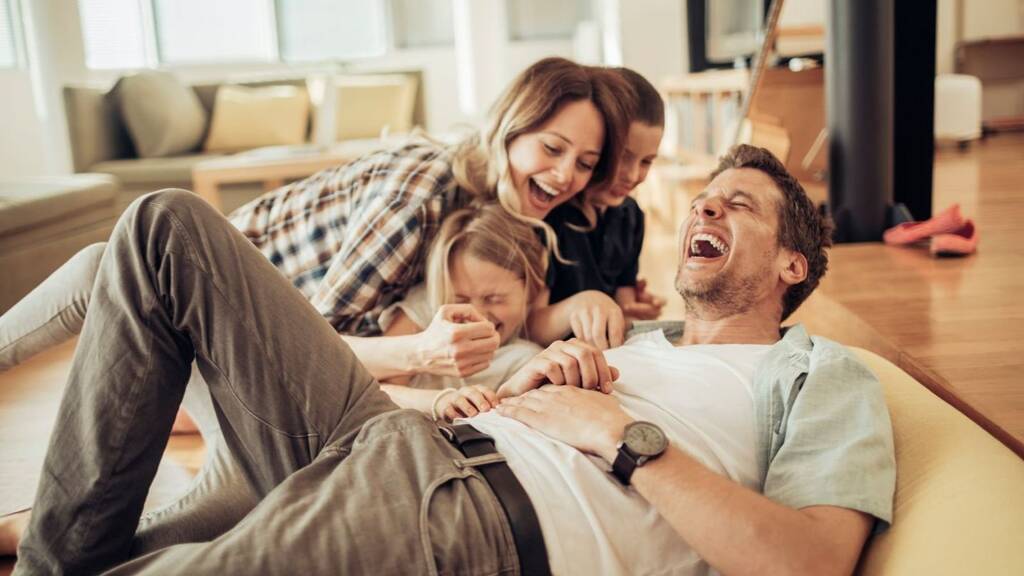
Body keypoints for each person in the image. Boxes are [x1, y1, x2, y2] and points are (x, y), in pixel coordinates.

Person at [10, 143, 895, 575]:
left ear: (793, 265)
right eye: (703, 200)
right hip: (398, 439)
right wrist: (521, 387)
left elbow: (812, 563)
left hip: (469, 515)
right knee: (163, 227)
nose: (704, 210)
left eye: (737, 206)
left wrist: (619, 436)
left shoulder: (823, 372)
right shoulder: (637, 339)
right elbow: (510, 377)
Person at [0, 56, 631, 375]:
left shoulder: (497, 204)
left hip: (247, 327)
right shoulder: (421, 198)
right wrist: (421, 354)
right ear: (509, 130)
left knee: (106, 269)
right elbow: (310, 346)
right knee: (109, 270)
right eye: (552, 149)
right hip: (207, 305)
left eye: (584, 163)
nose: (565, 176)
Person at [349, 202, 547, 421]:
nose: (478, 315)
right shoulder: (427, 310)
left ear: (531, 291)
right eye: (460, 299)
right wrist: (439, 401)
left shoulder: (525, 359)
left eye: (494, 299)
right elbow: (378, 390)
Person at [530, 67, 668, 350]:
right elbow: (530, 327)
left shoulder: (631, 217)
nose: (633, 175)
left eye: (646, 162)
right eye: (623, 157)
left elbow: (622, 303)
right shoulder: (550, 214)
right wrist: (583, 304)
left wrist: (630, 312)